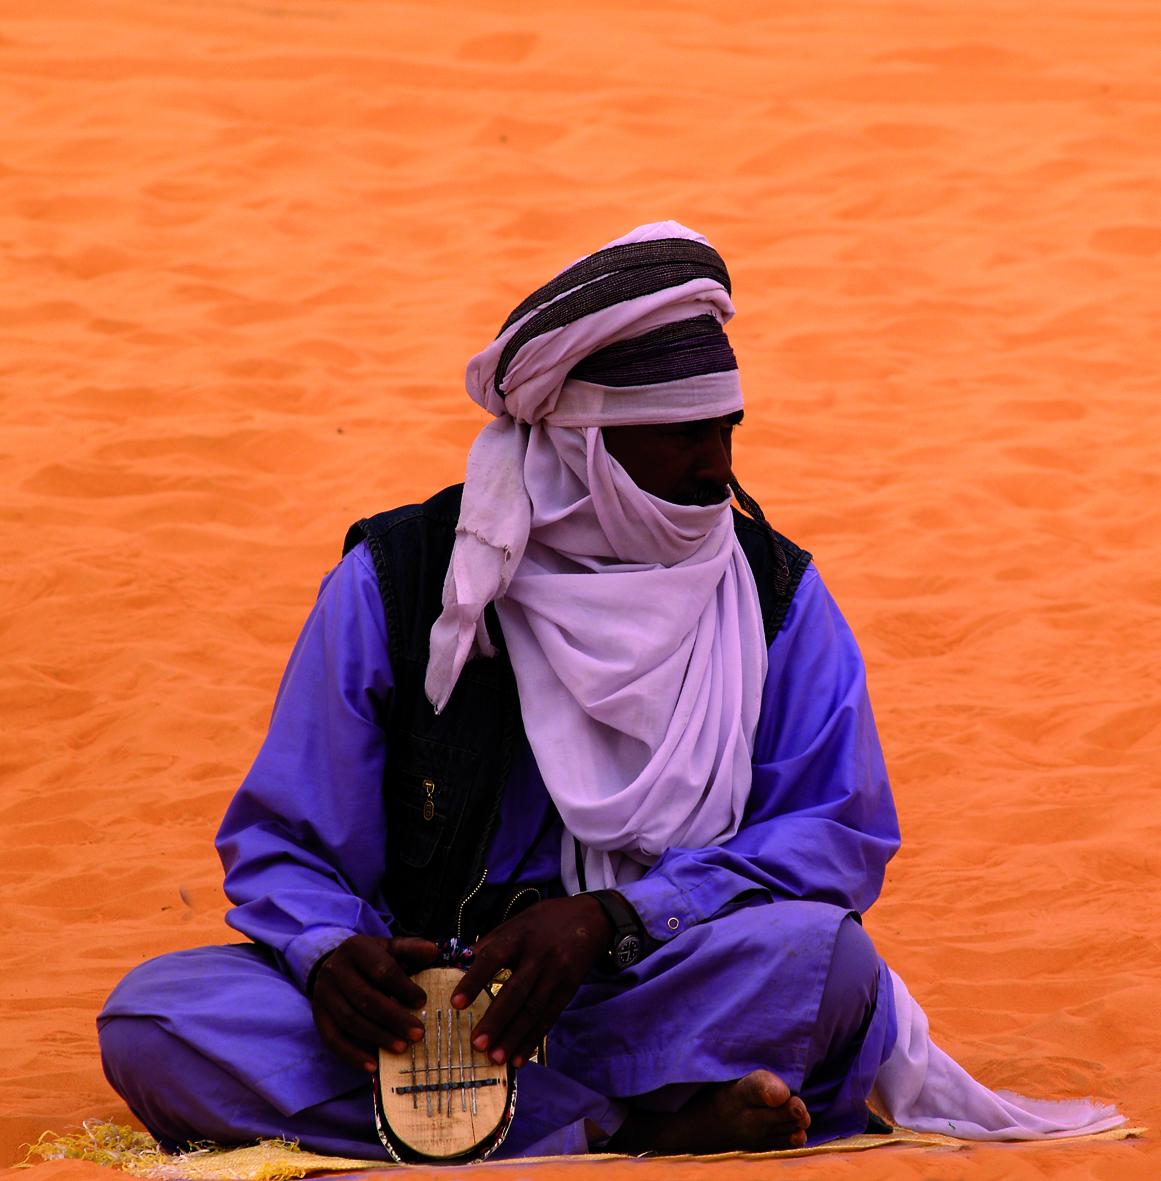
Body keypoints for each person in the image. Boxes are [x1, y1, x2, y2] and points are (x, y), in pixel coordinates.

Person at [97, 222, 1121, 1159]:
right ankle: (628, 1125)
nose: (719, 469)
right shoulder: (401, 586)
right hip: (430, 1022)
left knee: (828, 967)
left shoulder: (774, 599)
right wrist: (331, 958)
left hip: (647, 987)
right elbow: (286, 840)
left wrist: (614, 920)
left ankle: (527, 1125)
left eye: (730, 429)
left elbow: (837, 839)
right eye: (684, 437)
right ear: (585, 443)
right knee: (156, 1018)